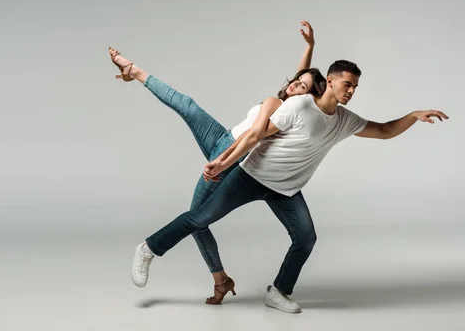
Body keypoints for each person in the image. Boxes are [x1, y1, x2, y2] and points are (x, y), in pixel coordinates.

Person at [130, 58, 449, 314]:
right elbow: (255, 135)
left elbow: (383, 130)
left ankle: (278, 291)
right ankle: (149, 248)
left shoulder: (345, 119)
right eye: (346, 84)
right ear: (331, 80)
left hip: (286, 189)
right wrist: (224, 164)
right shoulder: (298, 106)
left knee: (306, 237)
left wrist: (413, 115)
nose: (351, 91)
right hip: (250, 176)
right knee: (200, 218)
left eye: (355, 87)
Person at [109, 21, 326, 304]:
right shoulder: (283, 97)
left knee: (197, 217)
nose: (294, 84)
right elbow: (301, 80)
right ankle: (134, 71)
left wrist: (222, 162)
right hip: (223, 136)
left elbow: (252, 138)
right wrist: (309, 47)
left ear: (308, 98)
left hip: (234, 159)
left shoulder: (288, 110)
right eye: (295, 81)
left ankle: (209, 274)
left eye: (301, 87)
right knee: (186, 105)